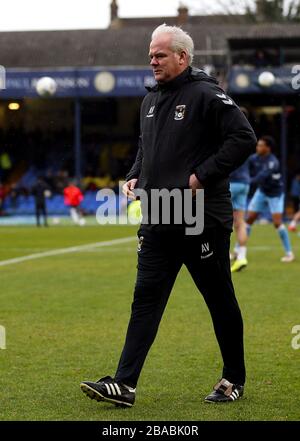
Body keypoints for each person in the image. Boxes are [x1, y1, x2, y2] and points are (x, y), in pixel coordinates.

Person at [80, 24, 256, 406]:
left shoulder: (207, 94)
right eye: (151, 54)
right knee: (145, 300)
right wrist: (132, 176)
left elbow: (243, 139)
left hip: (201, 219)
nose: (152, 60)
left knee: (219, 299)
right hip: (159, 218)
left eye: (160, 54)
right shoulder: (149, 101)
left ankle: (234, 378)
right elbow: (147, 150)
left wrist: (201, 175)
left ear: (182, 56)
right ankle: (125, 384)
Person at [246, 136, 294, 262]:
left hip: (275, 194)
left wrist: (247, 181)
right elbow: (245, 165)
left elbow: (262, 176)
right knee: (249, 219)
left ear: (268, 148)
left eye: (261, 145)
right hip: (262, 191)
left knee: (277, 223)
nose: (258, 147)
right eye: (258, 145)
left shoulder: (273, 162)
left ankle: (289, 253)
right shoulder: (254, 158)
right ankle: (238, 251)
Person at [229, 160, 250, 272]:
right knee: (240, 222)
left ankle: (224, 254)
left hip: (232, 182)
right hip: (245, 183)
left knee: (218, 217)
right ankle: (242, 257)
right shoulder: (245, 142)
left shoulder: (226, 142)